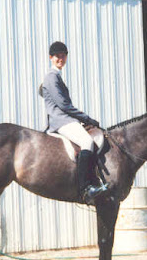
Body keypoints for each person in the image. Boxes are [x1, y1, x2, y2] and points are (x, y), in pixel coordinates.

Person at [42, 41, 108, 204]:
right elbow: (64, 105)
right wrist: (86, 118)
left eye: (63, 55)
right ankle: (85, 188)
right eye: (57, 56)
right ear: (51, 58)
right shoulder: (51, 77)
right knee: (87, 141)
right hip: (60, 120)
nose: (60, 58)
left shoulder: (57, 76)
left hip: (65, 119)